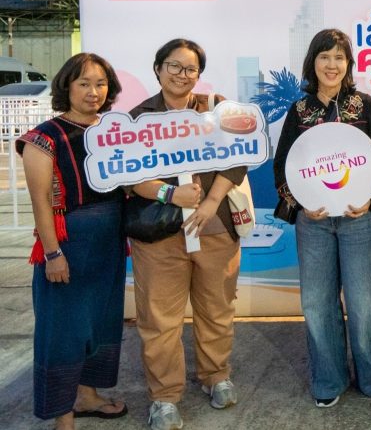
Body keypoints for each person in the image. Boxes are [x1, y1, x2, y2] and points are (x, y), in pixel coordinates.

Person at [128, 38, 247, 430]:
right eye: (174, 66)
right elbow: (126, 175)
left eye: (191, 69)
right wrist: (168, 193)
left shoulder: (217, 108)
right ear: (158, 68)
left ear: (199, 74)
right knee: (159, 318)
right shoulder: (137, 119)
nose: (182, 75)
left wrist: (210, 202)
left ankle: (216, 375)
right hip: (160, 235)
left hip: (215, 230)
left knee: (217, 308)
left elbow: (238, 158)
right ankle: (164, 397)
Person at [273, 28, 371, 408]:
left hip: (359, 220)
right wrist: (300, 203)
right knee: (317, 303)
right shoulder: (299, 110)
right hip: (314, 222)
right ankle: (328, 378)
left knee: (365, 302)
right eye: (324, 56)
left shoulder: (364, 105)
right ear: (313, 62)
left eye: (339, 57)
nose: (332, 64)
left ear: (348, 64)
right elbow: (283, 165)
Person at [16, 53, 127, 430]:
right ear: (67, 86)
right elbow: (41, 202)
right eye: (84, 83)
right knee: (63, 331)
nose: (94, 91)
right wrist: (53, 254)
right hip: (67, 247)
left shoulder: (114, 131)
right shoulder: (44, 137)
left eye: (101, 83)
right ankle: (63, 417)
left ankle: (87, 396)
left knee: (100, 323)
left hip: (109, 246)